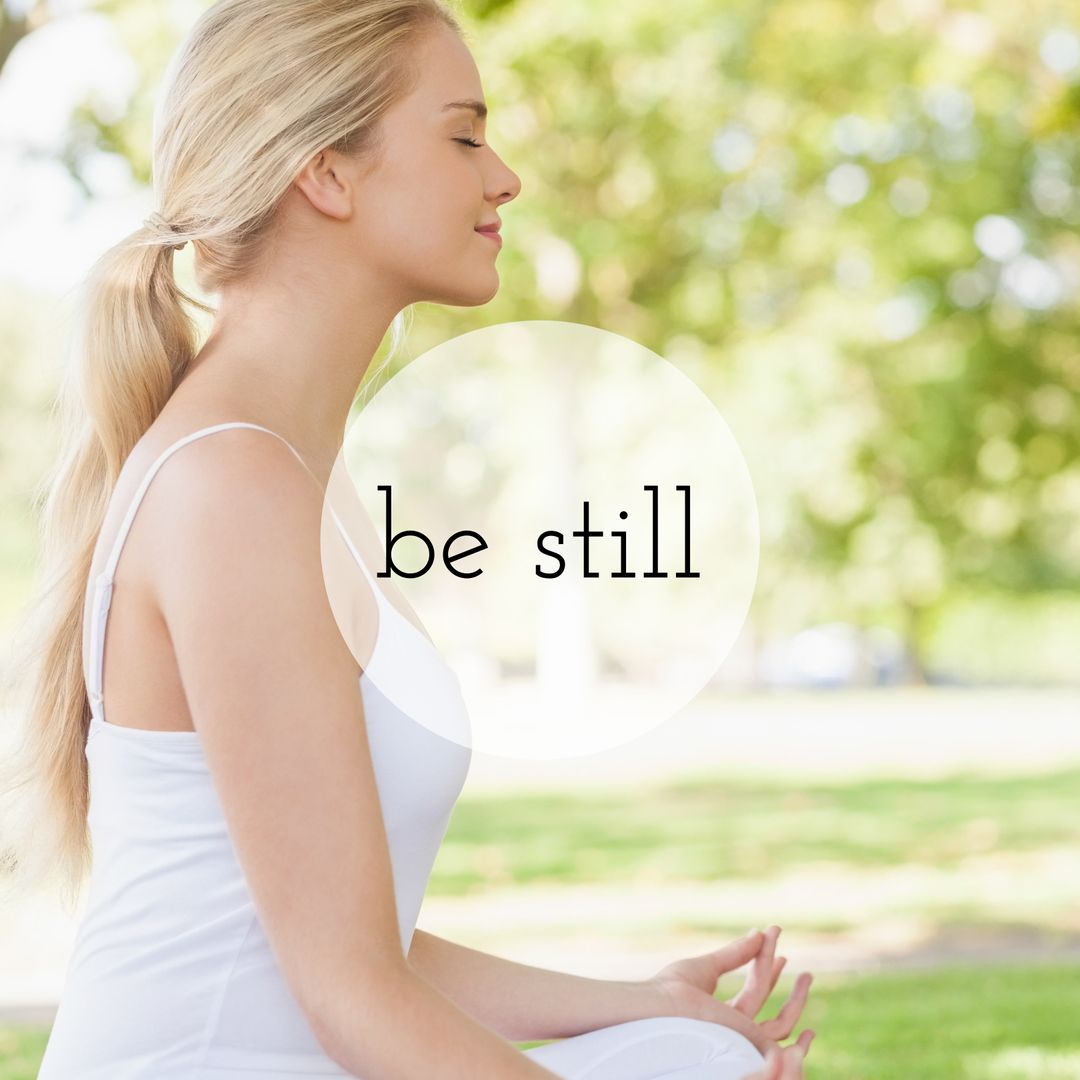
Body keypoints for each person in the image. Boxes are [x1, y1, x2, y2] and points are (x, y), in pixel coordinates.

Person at [3, 1, 816, 1076]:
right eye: (465, 134)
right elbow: (350, 996)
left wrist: (634, 1003)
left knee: (683, 1050)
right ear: (327, 173)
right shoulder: (231, 484)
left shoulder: (295, 474)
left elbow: (336, 940)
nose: (504, 178)